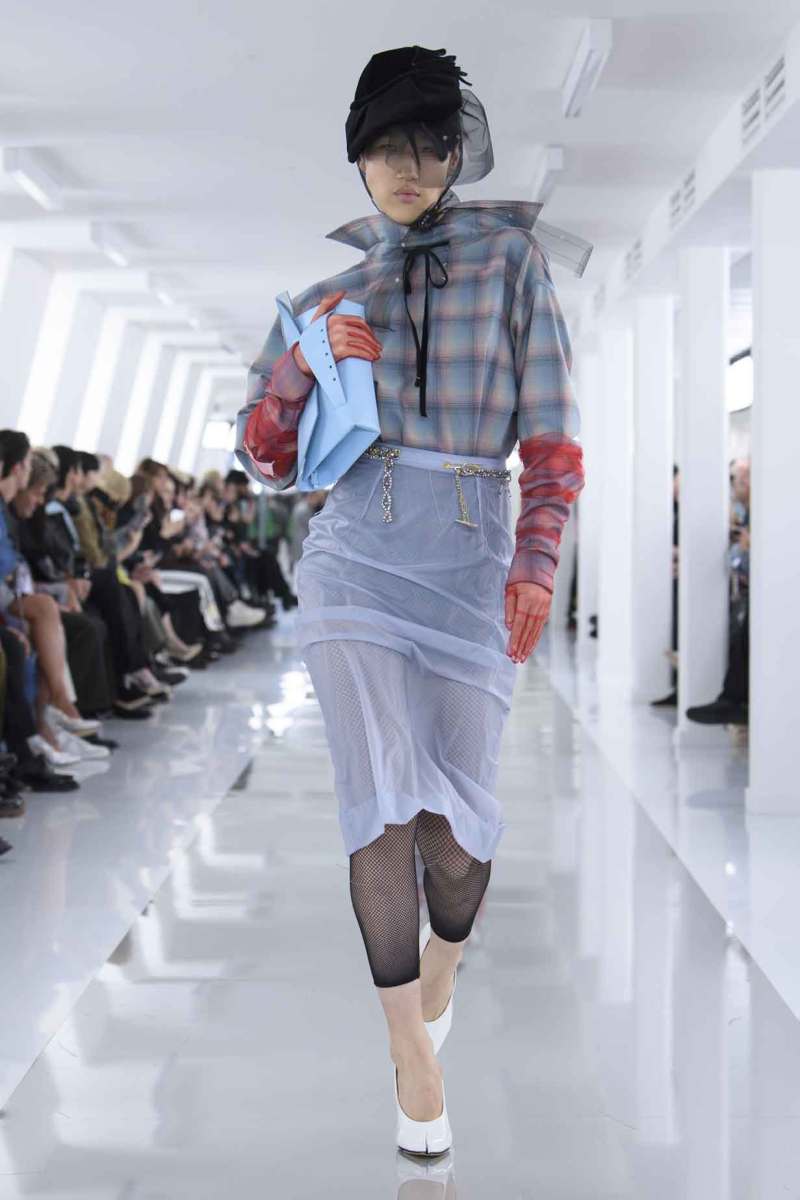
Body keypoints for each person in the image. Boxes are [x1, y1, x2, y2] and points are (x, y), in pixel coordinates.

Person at [235, 45, 588, 1157]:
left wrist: (536, 561)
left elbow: (553, 438)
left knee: (454, 829)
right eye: (384, 148)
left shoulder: (511, 263)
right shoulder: (324, 299)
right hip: (354, 560)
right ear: (357, 156)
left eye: (426, 148)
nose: (404, 168)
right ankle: (408, 1053)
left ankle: (444, 965)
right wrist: (301, 368)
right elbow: (263, 459)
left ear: (453, 154)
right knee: (379, 799)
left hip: (473, 563)